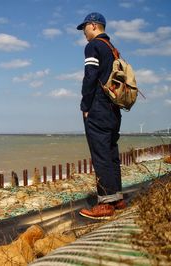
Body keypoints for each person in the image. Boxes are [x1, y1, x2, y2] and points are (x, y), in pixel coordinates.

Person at [76, 12, 126, 219]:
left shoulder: (93, 46)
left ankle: (105, 204)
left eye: (85, 28)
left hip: (98, 108)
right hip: (114, 109)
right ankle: (117, 198)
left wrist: (85, 104)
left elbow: (90, 76)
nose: (84, 33)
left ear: (94, 26)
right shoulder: (113, 49)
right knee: (112, 152)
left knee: (100, 154)